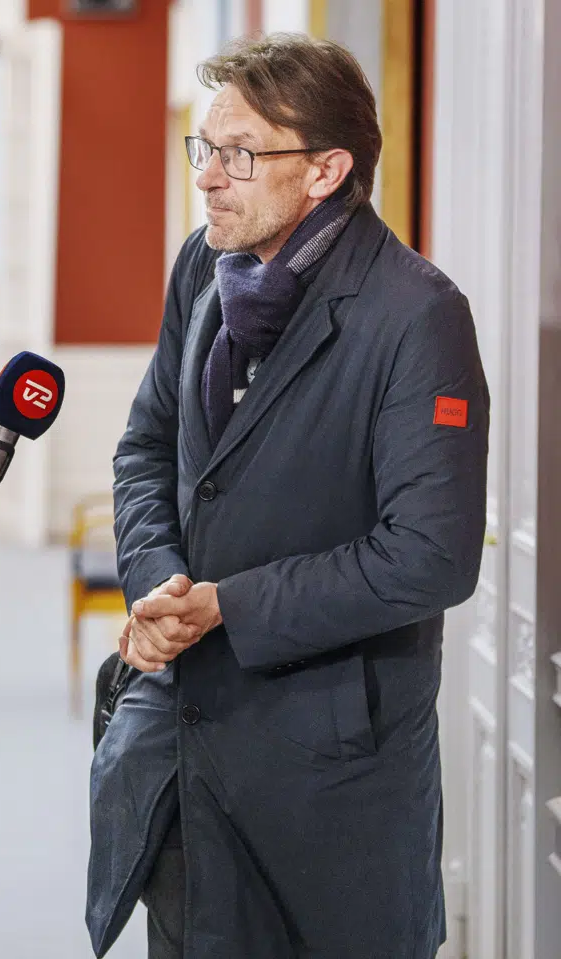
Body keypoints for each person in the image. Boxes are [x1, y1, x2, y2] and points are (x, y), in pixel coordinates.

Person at [90, 34, 489, 959]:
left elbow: (429, 555)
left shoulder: (417, 314)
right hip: (182, 747)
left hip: (329, 775)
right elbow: (149, 444)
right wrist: (159, 586)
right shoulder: (202, 268)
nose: (208, 179)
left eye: (239, 154)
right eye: (205, 148)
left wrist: (227, 606)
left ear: (325, 171)